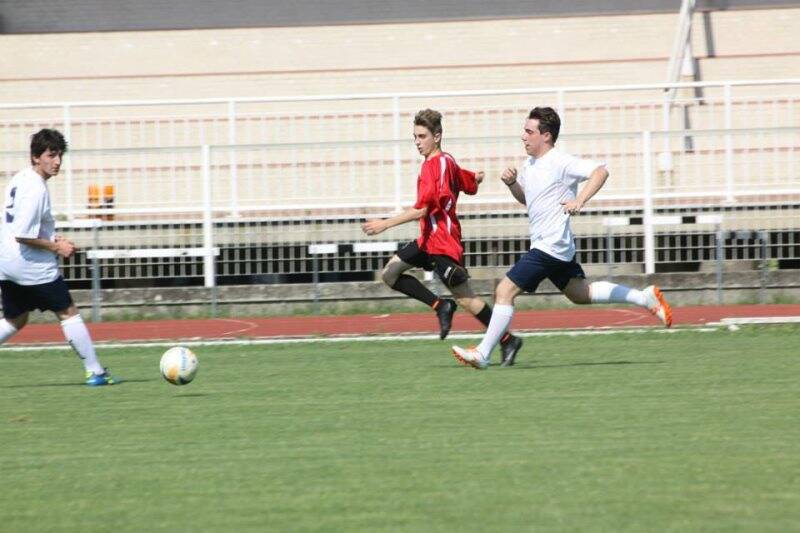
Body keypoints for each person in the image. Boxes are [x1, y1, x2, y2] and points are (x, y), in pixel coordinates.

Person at [452, 107, 672, 370]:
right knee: (580, 294)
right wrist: (513, 185)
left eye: (529, 131)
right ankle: (644, 298)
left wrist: (580, 199)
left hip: (551, 245)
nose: (523, 136)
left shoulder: (560, 162)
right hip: (554, 245)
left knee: (504, 291)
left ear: (546, 136)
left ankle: (483, 353)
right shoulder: (529, 164)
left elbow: (601, 171)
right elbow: (529, 201)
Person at [362, 109, 523, 366]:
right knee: (390, 273)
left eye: (422, 136)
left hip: (443, 242)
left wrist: (385, 224)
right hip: (427, 239)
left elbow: (424, 208)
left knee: (466, 298)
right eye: (414, 136)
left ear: (437, 136)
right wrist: (477, 178)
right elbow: (467, 184)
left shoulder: (434, 166)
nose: (417, 142)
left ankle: (507, 340)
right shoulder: (446, 161)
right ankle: (440, 306)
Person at [0, 129, 119, 386]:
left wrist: (53, 237)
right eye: (50, 155)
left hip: (7, 261)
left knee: (15, 319)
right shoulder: (36, 189)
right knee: (68, 312)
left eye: (59, 155)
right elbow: (23, 234)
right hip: (29, 264)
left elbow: (22, 226)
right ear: (35, 157)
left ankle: (95, 371)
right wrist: (57, 248)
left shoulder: (21, 179)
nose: (57, 162)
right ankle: (95, 372)